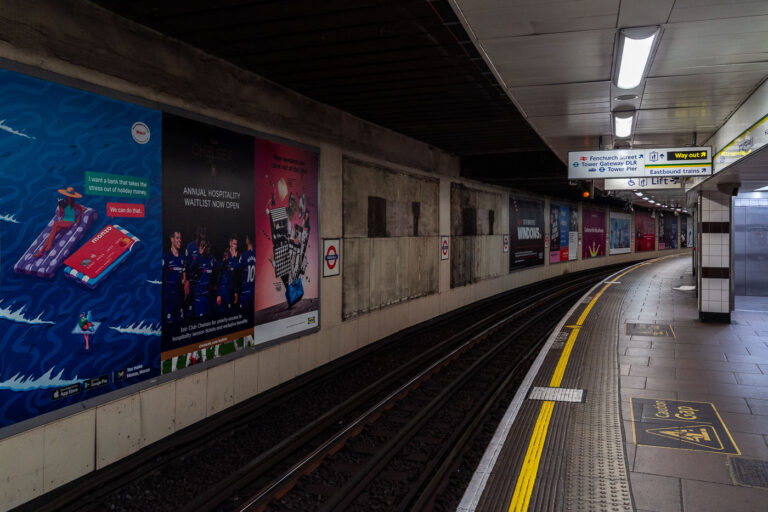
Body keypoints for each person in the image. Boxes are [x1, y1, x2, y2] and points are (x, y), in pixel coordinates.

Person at [34, 187, 85, 258]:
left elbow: (83, 209)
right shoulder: (64, 204)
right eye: (67, 196)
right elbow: (61, 215)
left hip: (69, 222)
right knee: (52, 234)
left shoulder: (75, 205)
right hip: (63, 221)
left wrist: (78, 219)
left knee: (55, 224)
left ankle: (49, 245)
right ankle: (41, 252)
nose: (67, 197)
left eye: (69, 196)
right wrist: (61, 208)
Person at [163, 231, 187, 324]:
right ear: (172, 239)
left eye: (180, 238)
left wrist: (184, 281)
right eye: (177, 238)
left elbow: (184, 275)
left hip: (179, 298)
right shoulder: (166, 257)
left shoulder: (182, 258)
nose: (180, 240)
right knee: (169, 323)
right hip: (169, 298)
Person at [189, 237, 215, 318]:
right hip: (199, 296)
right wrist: (199, 255)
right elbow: (191, 268)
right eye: (201, 245)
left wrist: (227, 260)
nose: (203, 247)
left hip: (207, 295)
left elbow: (219, 267)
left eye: (205, 245)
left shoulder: (211, 259)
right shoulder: (199, 258)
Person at [185, 227, 208, 319]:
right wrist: (186, 280)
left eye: (204, 235)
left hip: (201, 285)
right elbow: (186, 265)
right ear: (197, 235)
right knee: (189, 309)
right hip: (191, 283)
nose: (203, 237)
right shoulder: (190, 246)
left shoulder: (206, 247)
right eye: (201, 235)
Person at [216, 234, 240, 314]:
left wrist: (236, 292)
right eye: (234, 244)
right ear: (230, 243)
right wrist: (218, 294)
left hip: (231, 291)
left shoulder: (237, 257)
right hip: (224, 291)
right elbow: (220, 274)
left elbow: (235, 276)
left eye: (236, 244)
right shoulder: (226, 255)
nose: (235, 246)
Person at [239, 234, 256, 315]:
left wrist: (233, 257)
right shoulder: (257, 253)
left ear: (248, 240)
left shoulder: (244, 255)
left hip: (246, 291)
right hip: (255, 291)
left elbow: (235, 268)